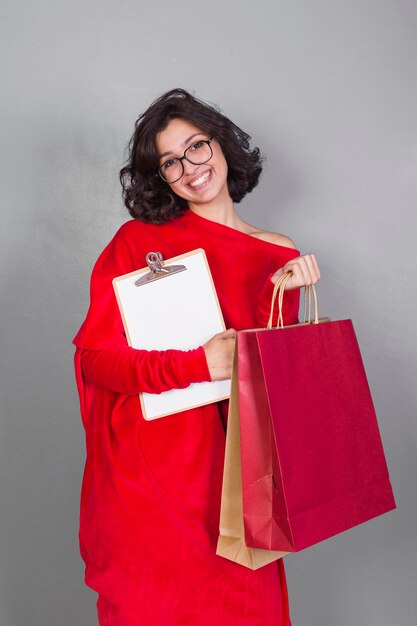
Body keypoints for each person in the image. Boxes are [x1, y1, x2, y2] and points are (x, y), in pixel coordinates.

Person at [73, 88, 320, 626]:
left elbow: (277, 393)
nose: (190, 167)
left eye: (197, 147)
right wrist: (195, 364)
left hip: (235, 488)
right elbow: (96, 359)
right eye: (169, 161)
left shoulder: (278, 253)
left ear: (222, 143)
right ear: (161, 177)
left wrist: (281, 291)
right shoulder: (137, 242)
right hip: (149, 487)